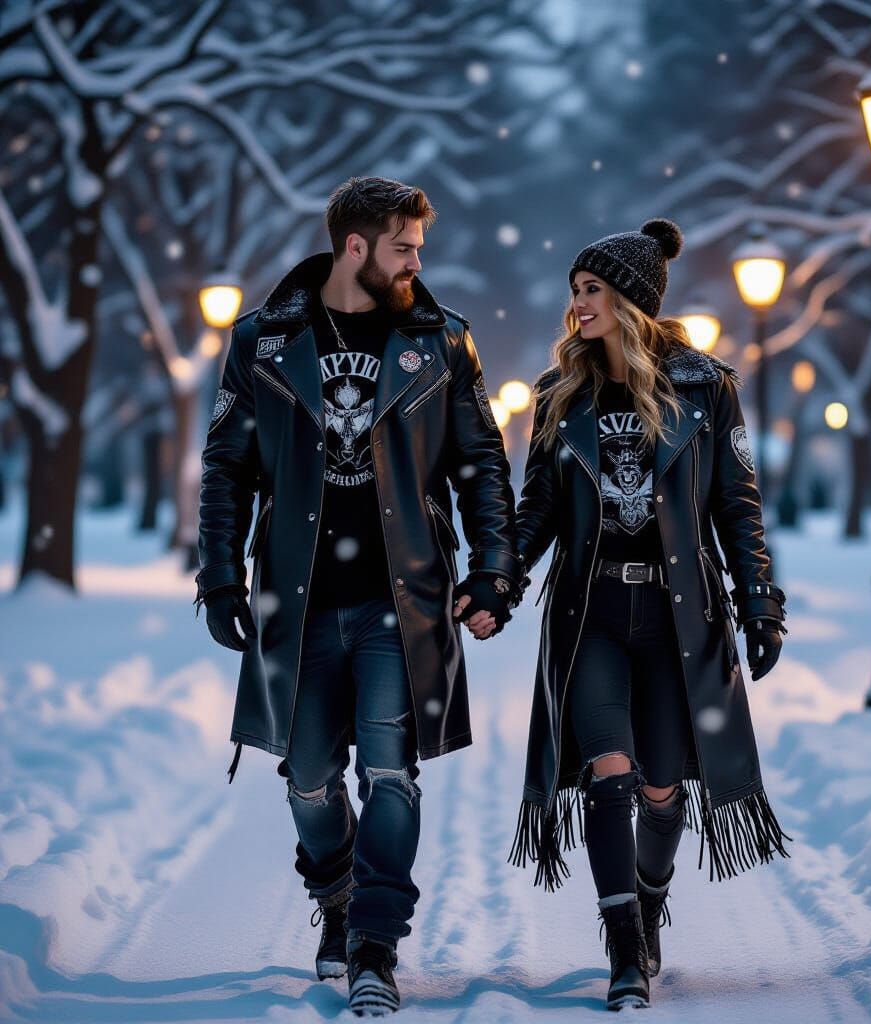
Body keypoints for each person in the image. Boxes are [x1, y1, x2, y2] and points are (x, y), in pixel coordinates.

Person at [195, 176, 520, 1016]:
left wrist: (493, 568)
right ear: (355, 246)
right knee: (307, 778)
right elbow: (227, 466)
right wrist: (221, 574)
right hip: (296, 599)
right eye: (404, 246)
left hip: (401, 600)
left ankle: (375, 942)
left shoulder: (442, 342)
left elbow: (481, 462)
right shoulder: (264, 342)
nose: (417, 261)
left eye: (418, 246)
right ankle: (334, 896)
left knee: (391, 773)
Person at [509, 219, 791, 1011]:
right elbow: (537, 510)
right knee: (611, 774)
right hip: (591, 610)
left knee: (665, 789)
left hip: (679, 617)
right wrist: (499, 578)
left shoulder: (706, 388)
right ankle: (625, 949)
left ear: (630, 301)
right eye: (574, 291)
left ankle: (650, 900)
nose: (576, 306)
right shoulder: (559, 393)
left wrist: (759, 599)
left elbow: (738, 506)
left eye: (591, 290)